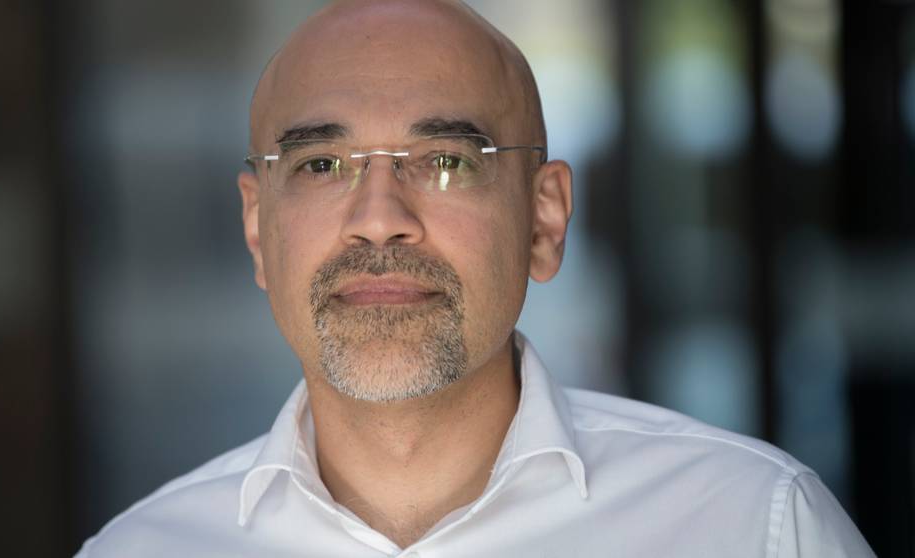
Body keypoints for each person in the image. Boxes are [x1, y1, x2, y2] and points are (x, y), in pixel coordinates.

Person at [76, 1, 874, 556]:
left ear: (544, 220)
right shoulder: (138, 552)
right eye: (321, 164)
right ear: (258, 228)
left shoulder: (757, 528)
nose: (379, 219)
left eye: (447, 162)